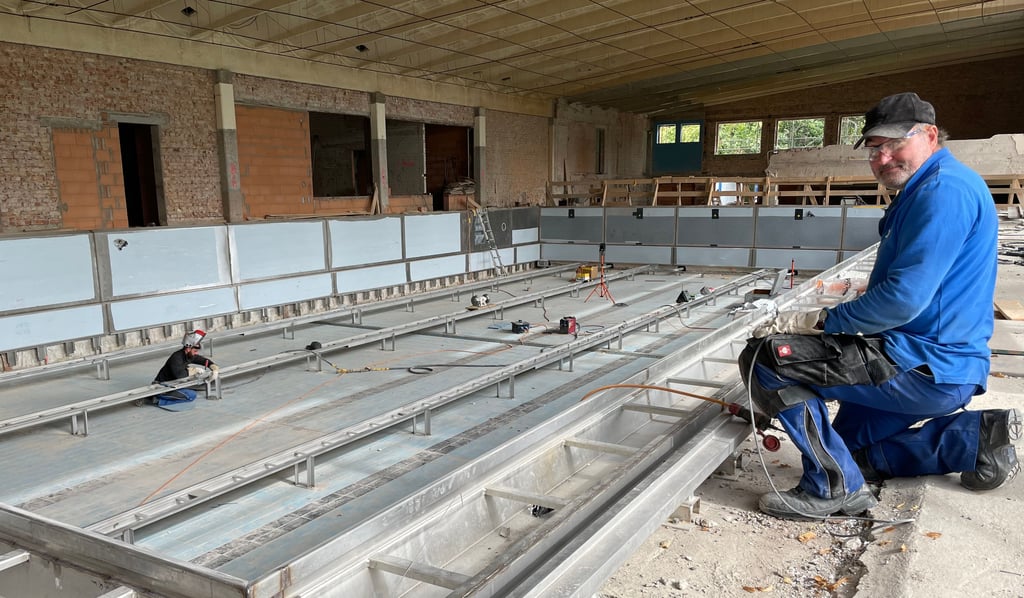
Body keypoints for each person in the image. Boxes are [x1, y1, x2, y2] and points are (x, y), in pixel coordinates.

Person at [738, 92, 1021, 520]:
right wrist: (856, 293)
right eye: (874, 148)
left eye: (893, 143)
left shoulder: (943, 192)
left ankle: (831, 490)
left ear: (929, 135)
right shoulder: (932, 184)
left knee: (765, 359)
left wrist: (822, 321)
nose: (883, 157)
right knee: (848, 450)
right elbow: (917, 278)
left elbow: (904, 299)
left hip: (923, 365)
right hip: (944, 362)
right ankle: (975, 439)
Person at [152, 329, 220, 411]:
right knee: (191, 396)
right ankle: (157, 399)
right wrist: (194, 370)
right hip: (162, 386)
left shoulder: (188, 356)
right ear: (188, 349)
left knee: (189, 392)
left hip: (172, 384)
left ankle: (159, 397)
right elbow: (180, 375)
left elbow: (202, 360)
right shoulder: (176, 357)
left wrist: (213, 367)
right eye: (195, 351)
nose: (196, 353)